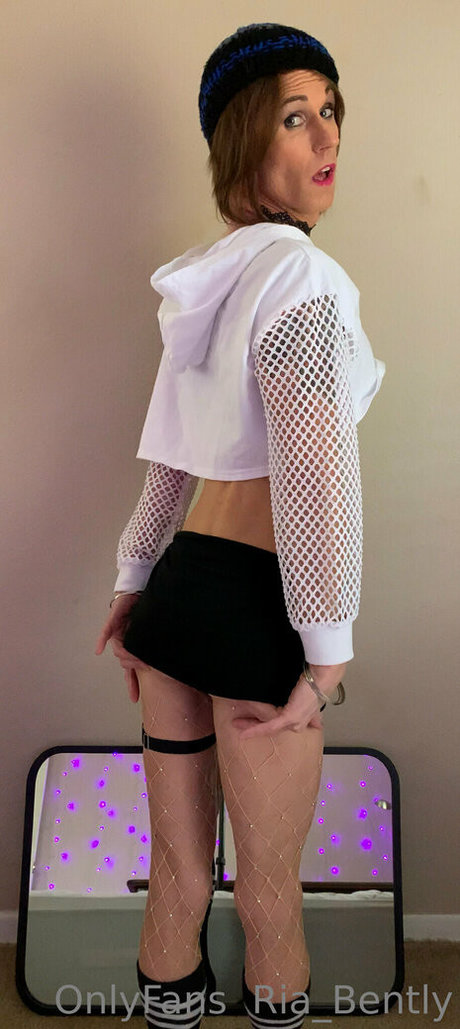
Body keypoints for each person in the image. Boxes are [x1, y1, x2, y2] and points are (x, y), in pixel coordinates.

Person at [95, 22, 385, 1029]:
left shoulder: (207, 282)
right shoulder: (302, 279)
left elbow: (171, 459)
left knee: (176, 877)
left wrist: (133, 583)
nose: (327, 136)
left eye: (330, 111)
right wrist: (327, 650)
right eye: (295, 117)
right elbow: (314, 479)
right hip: (264, 608)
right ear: (240, 140)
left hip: (180, 596)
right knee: (269, 899)